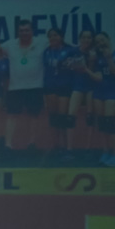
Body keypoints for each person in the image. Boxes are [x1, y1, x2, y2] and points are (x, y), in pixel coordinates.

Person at [0, 20, 46, 153]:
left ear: (32, 31)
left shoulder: (42, 42)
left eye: (27, 30)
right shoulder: (9, 45)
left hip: (35, 86)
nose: (24, 33)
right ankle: (8, 145)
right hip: (15, 87)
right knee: (11, 116)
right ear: (18, 32)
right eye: (21, 30)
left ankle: (31, 143)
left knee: (33, 116)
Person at [92, 33, 115, 166]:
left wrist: (109, 58)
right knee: (102, 123)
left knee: (110, 122)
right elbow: (98, 75)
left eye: (102, 39)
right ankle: (106, 151)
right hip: (99, 91)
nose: (100, 42)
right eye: (98, 41)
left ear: (108, 39)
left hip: (113, 92)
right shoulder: (98, 57)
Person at [42, 28, 76, 158]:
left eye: (55, 35)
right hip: (50, 87)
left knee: (63, 118)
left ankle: (65, 147)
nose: (53, 38)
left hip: (64, 87)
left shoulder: (70, 51)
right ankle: (55, 145)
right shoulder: (46, 52)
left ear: (61, 37)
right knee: (53, 118)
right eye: (50, 36)